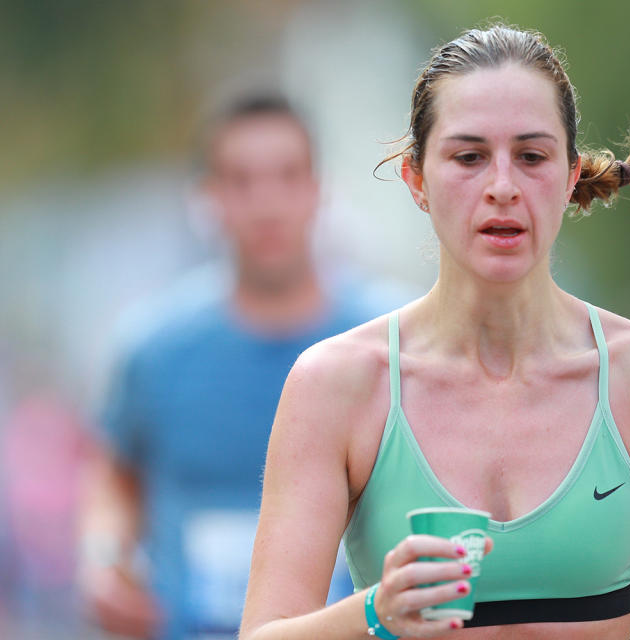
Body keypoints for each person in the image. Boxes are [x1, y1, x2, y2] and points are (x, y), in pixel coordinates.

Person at [239, 24, 630, 640]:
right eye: (469, 156)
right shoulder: (339, 386)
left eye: (531, 156)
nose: (502, 186)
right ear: (417, 180)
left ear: (569, 178)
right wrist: (373, 615)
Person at [77, 92, 409, 639]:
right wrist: (103, 558)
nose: (266, 203)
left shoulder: (392, 343)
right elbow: (115, 471)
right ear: (206, 197)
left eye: (286, 176)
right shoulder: (154, 347)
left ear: (319, 189)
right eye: (241, 180)